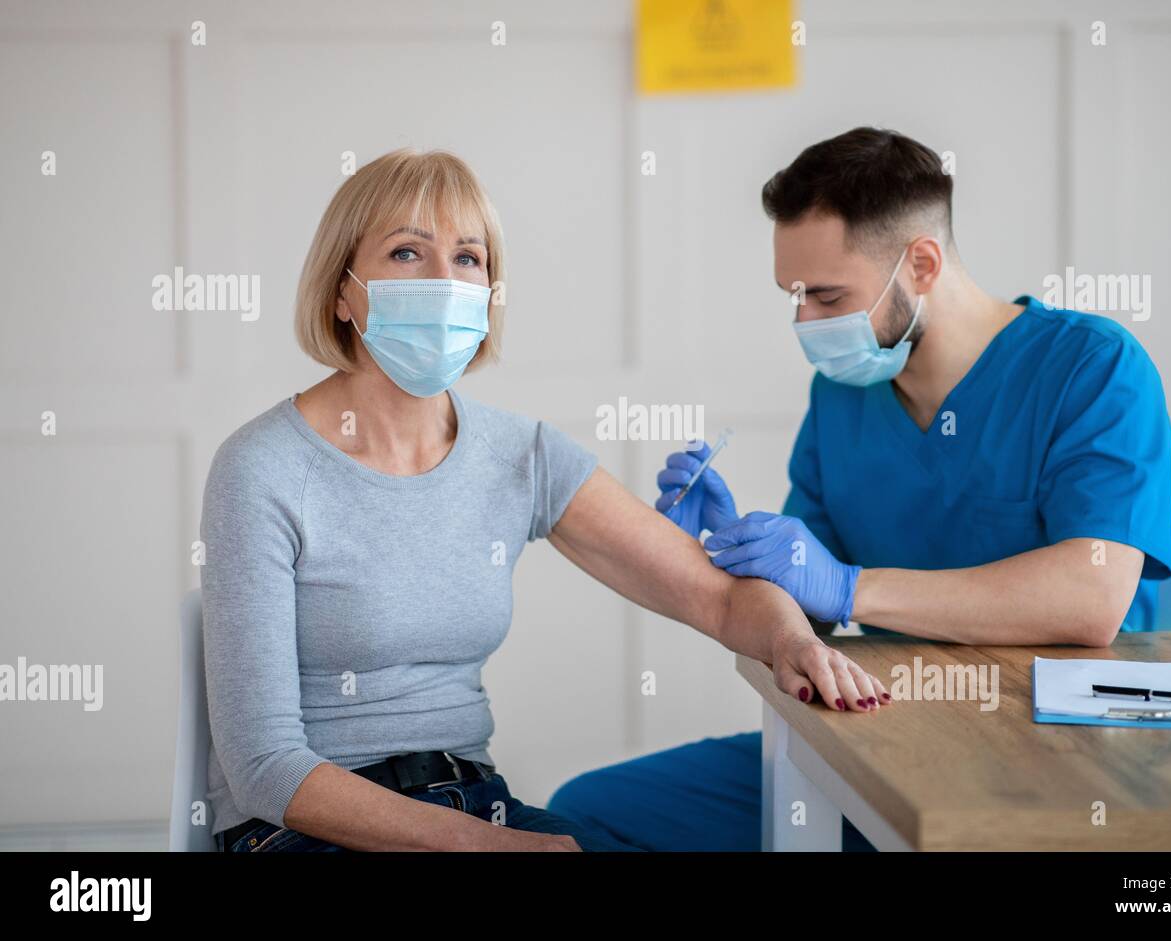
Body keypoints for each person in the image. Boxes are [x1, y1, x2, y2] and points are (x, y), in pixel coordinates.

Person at [201, 148, 886, 853]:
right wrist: (482, 846)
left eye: (468, 258)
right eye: (408, 252)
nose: (445, 279)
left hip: (473, 799)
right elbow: (263, 769)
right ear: (341, 291)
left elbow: (715, 597)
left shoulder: (520, 455)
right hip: (302, 829)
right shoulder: (262, 467)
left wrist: (793, 639)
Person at [548, 126, 1171, 851]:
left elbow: (1090, 599)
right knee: (587, 811)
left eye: (826, 295)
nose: (804, 322)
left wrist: (852, 587)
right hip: (880, 742)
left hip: (1057, 763)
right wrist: (732, 557)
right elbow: (803, 626)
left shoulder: (1093, 370)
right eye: (794, 297)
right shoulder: (842, 395)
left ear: (922, 263)